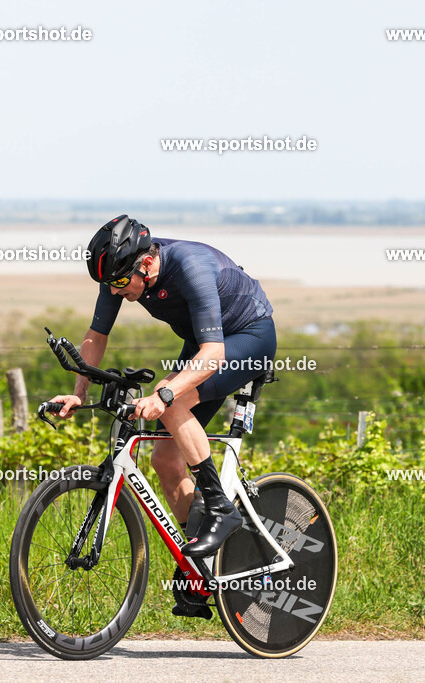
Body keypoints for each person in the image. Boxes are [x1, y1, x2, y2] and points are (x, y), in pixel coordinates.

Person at [49, 214, 276, 561]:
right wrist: (79, 391)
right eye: (108, 283)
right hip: (203, 343)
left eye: (121, 282)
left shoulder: (191, 267)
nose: (115, 292)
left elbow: (213, 354)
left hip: (248, 337)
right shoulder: (118, 272)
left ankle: (220, 508)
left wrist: (166, 394)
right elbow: (95, 336)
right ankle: (198, 566)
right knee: (165, 461)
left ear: (149, 262)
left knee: (171, 401)